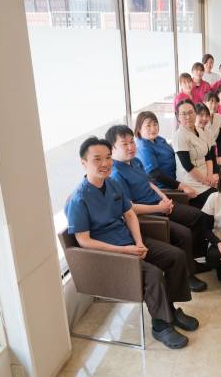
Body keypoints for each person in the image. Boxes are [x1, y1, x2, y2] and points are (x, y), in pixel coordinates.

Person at [65, 136, 198, 350]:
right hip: (110, 255)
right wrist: (124, 250)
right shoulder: (78, 200)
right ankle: (160, 325)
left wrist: (138, 242)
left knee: (176, 256)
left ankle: (170, 310)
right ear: (83, 163)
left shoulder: (112, 184)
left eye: (108, 157)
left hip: (130, 242)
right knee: (153, 274)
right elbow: (84, 241)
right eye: (97, 159)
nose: (105, 163)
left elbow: (129, 214)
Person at [106, 125, 208, 292]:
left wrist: (164, 198)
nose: (131, 147)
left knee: (198, 216)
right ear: (112, 148)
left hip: (160, 204)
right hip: (148, 215)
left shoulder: (135, 161)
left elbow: (149, 183)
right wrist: (159, 208)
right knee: (184, 234)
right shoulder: (116, 174)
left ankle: (191, 262)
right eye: (124, 144)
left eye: (132, 142)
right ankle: (187, 275)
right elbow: (129, 209)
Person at [135, 111, 197, 199]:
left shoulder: (159, 139)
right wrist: (182, 186)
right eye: (148, 126)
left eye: (155, 124)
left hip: (180, 179)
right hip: (166, 189)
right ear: (139, 129)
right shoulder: (143, 147)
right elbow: (155, 175)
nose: (153, 128)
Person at [173, 99, 218, 209]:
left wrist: (210, 176)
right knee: (218, 200)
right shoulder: (179, 136)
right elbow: (187, 166)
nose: (188, 116)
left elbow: (208, 155)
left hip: (206, 177)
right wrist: (206, 181)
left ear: (195, 113)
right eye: (184, 114)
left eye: (190, 112)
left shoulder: (200, 130)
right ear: (178, 117)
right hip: (191, 181)